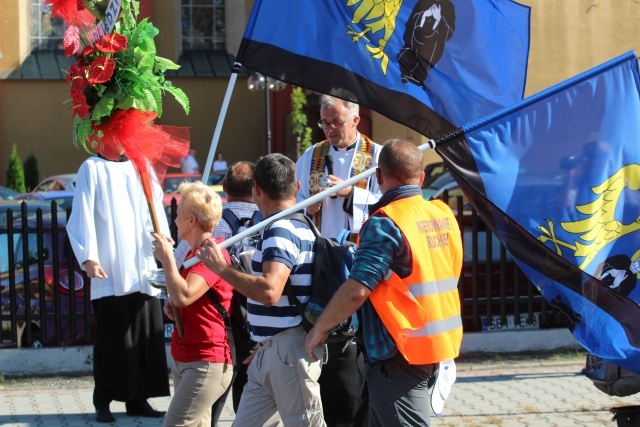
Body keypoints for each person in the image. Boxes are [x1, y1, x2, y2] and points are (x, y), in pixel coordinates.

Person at [305, 139, 464, 427]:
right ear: (422, 176)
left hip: (400, 349)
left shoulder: (386, 222)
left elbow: (358, 289)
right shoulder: (442, 215)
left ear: (378, 177)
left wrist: (320, 327)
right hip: (437, 342)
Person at [197, 153, 325, 426]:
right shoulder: (300, 225)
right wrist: (267, 345)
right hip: (273, 349)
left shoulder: (280, 229)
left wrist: (221, 269)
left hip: (286, 351)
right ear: (298, 187)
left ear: (256, 189)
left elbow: (270, 291)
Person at [296, 94, 382, 426]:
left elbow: (385, 202)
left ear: (356, 121)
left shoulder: (376, 155)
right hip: (323, 259)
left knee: (357, 345)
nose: (330, 129)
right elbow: (298, 201)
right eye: (325, 122)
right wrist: (310, 207)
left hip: (361, 258)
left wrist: (351, 194)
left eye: (337, 122)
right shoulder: (311, 155)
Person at [67, 152, 170, 423]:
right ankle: (104, 400)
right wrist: (89, 258)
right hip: (110, 268)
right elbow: (83, 211)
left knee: (145, 334)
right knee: (111, 338)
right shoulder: (91, 167)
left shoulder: (141, 163)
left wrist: (163, 239)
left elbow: (154, 203)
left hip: (141, 263)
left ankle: (139, 399)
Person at [151, 181, 234, 427]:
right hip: (188, 356)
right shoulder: (192, 254)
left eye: (178, 215)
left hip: (206, 360)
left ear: (191, 222)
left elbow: (184, 295)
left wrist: (167, 260)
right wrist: (175, 307)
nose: (174, 221)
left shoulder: (212, 255)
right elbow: (183, 300)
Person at [210, 161, 262, 424]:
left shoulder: (213, 220)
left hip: (221, 311)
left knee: (219, 377)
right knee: (249, 378)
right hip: (257, 308)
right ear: (256, 187)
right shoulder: (269, 220)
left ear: (223, 187)